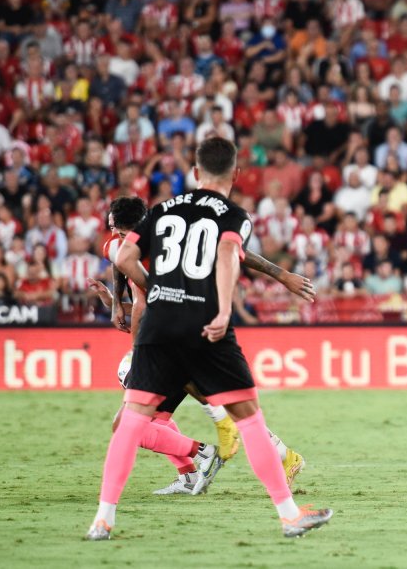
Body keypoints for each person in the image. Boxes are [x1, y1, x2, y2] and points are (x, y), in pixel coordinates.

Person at [86, 138, 332, 540]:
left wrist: (157, 292)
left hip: (157, 328)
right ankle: (288, 514)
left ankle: (103, 519)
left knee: (130, 422)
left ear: (195, 173)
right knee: (249, 418)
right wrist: (223, 310)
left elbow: (126, 258)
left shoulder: (162, 211)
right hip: (204, 325)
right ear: (235, 175)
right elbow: (228, 257)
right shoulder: (234, 215)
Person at [88, 196, 314, 494]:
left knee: (134, 422)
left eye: (120, 232)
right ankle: (264, 457)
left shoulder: (172, 248)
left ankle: (203, 454)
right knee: (215, 410)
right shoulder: (123, 249)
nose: (117, 239)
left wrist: (282, 275)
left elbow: (235, 250)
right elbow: (118, 261)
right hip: (169, 340)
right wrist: (116, 301)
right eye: (115, 233)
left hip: (184, 338)